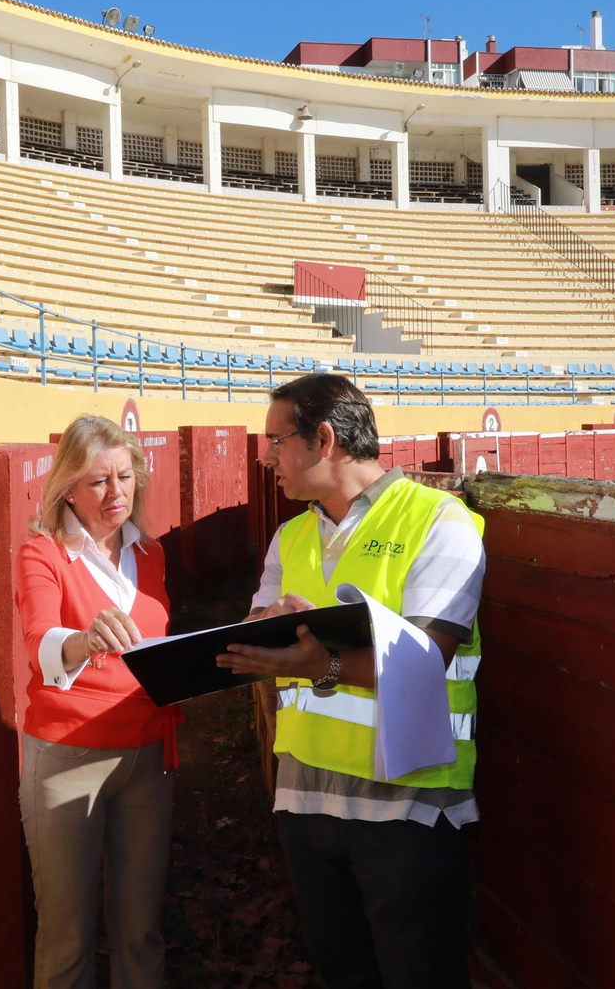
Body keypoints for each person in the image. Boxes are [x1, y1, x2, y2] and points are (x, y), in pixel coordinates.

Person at [217, 373, 485, 989]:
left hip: (409, 806)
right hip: (306, 801)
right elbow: (257, 630)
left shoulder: (439, 521)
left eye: (275, 442)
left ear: (325, 439)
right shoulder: (291, 535)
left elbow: (425, 657)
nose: (266, 458)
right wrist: (265, 631)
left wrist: (319, 665)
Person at [15, 414, 181, 989]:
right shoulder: (43, 552)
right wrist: (84, 640)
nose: (117, 493)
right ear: (67, 488)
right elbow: (39, 640)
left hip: (149, 757)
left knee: (141, 932)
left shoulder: (152, 553)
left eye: (125, 476)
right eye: (98, 482)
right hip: (69, 756)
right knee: (66, 939)